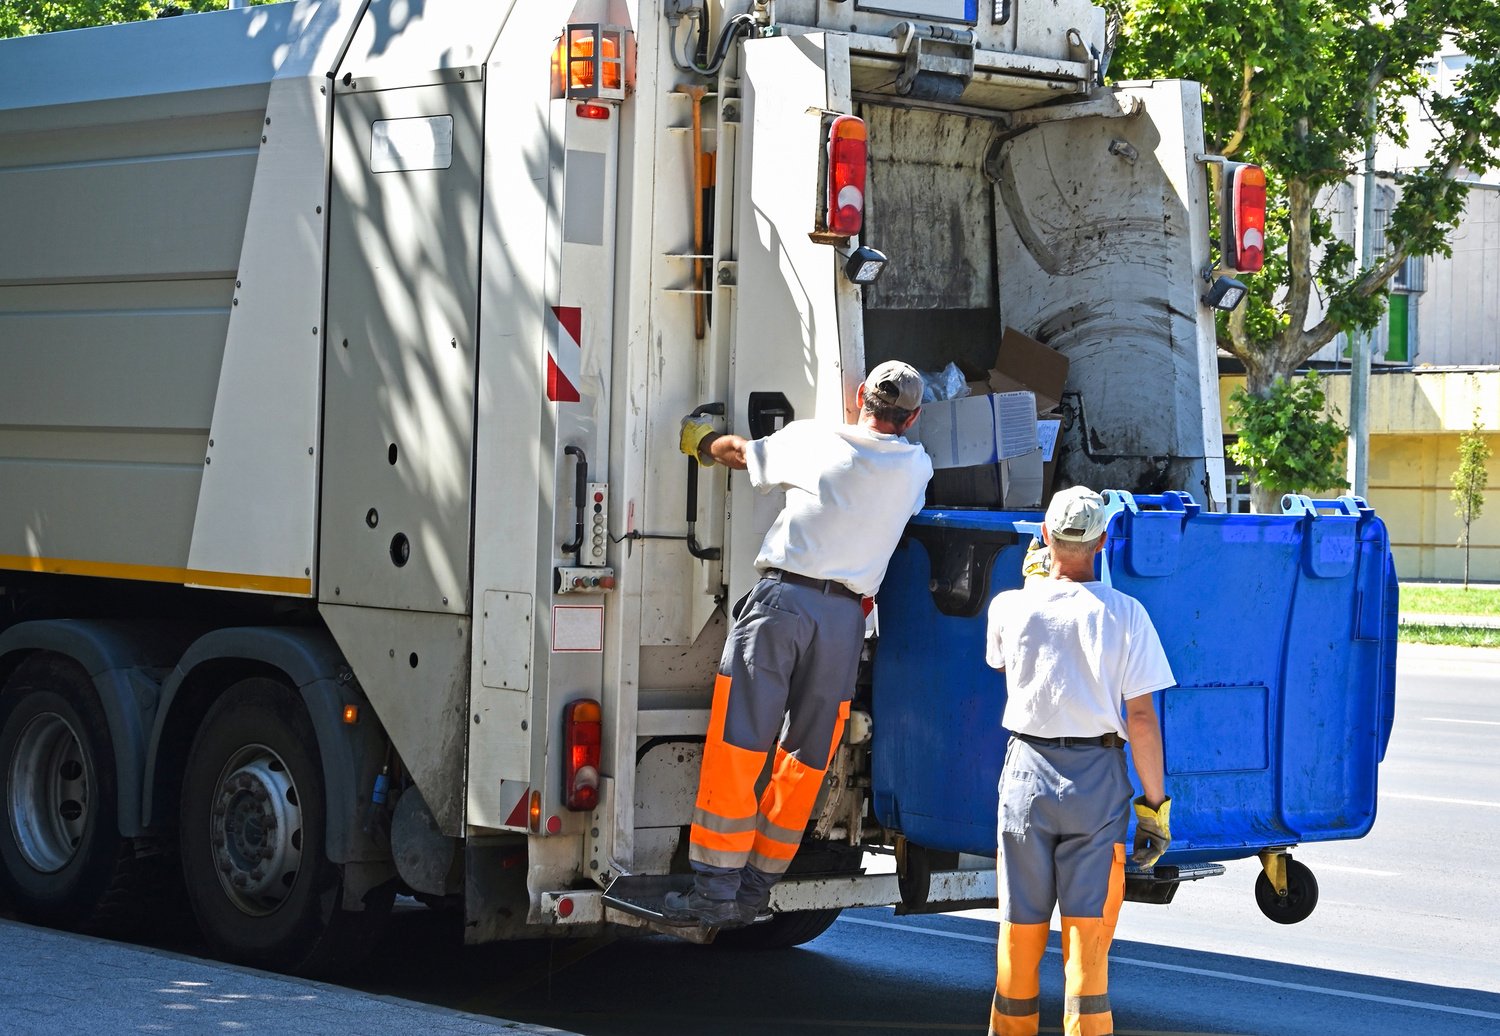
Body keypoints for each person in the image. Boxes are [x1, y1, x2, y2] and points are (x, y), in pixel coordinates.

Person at [664, 361, 934, 928]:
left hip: (784, 606)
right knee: (806, 758)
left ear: (859, 395)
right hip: (844, 623)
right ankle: (756, 889)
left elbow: (742, 454)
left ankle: (715, 890)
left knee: (740, 745)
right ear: (913, 417)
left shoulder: (816, 438)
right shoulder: (917, 469)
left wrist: (700, 439)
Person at [983, 485, 1175, 1036]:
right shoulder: (1127, 614)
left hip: (1026, 774)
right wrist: (1154, 806)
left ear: (1044, 537)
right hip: (1096, 782)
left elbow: (1002, 660)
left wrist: (1033, 586)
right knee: (1087, 936)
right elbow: (1141, 719)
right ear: (1103, 540)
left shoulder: (1010, 606)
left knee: (1020, 929)